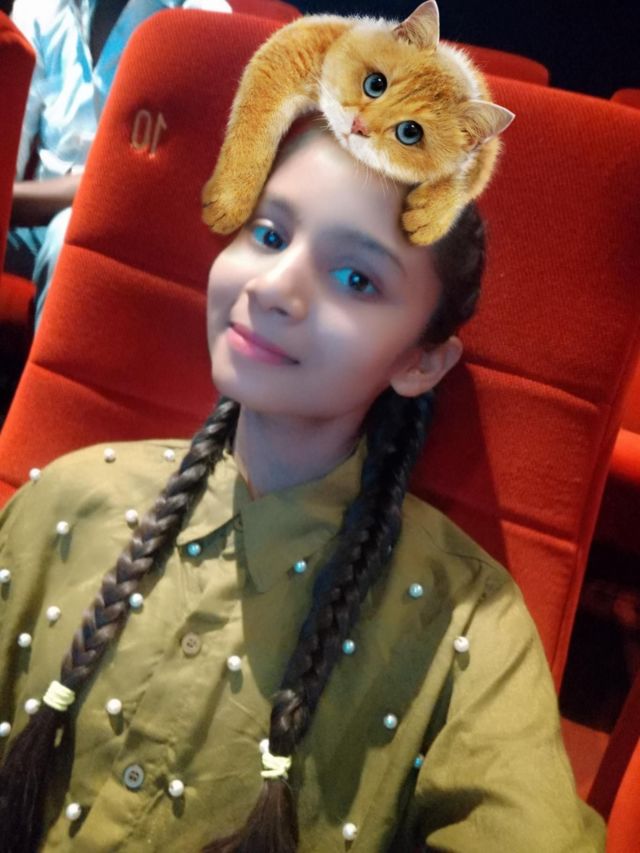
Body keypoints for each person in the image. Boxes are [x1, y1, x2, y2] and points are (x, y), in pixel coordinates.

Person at [0, 122, 605, 851]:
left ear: (419, 363)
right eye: (268, 234)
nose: (274, 287)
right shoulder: (70, 496)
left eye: (356, 279)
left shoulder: (470, 625)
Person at [6, 0, 231, 328]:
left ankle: (60, 363)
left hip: (138, 235)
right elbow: (8, 150)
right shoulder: (39, 7)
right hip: (31, 222)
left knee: (66, 235)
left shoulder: (202, 18)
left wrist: (11, 200)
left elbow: (142, 184)